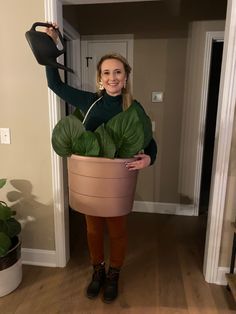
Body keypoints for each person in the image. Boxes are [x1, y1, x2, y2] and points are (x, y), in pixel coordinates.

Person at [44, 23, 157, 303]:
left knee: (117, 231)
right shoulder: (89, 102)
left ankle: (114, 273)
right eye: (106, 73)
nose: (112, 77)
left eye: (117, 72)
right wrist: (51, 45)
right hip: (92, 179)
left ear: (126, 76)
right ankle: (97, 272)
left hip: (118, 178)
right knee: (93, 229)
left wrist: (149, 158)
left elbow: (148, 140)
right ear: (100, 78)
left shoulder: (134, 108)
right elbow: (54, 84)